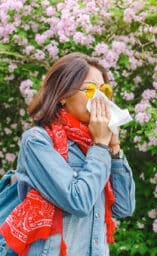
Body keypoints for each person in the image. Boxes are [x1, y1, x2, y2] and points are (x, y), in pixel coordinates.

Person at [0, 52, 135, 256]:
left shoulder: (96, 145)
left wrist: (113, 148)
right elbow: (77, 201)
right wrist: (99, 145)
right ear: (63, 95)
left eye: (104, 90)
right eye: (90, 90)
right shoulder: (38, 141)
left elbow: (124, 208)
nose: (100, 98)